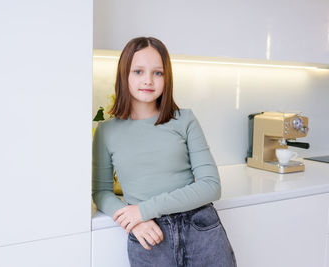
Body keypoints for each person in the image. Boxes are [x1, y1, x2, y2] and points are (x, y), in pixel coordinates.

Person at [92, 37, 237, 267]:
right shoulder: (106, 131)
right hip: (149, 236)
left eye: (157, 73)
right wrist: (134, 221)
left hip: (201, 230)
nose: (148, 80)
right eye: (138, 71)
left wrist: (144, 210)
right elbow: (101, 192)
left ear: (167, 77)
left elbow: (211, 185)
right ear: (124, 75)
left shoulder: (185, 119)